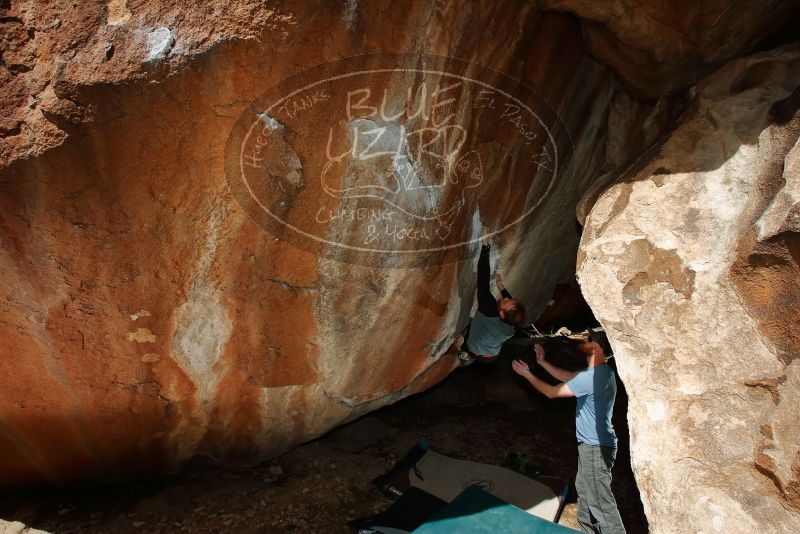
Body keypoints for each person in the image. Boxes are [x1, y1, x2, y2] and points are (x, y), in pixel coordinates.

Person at [511, 328, 626, 534]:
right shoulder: (602, 372)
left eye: (591, 340)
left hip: (595, 447)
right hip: (597, 445)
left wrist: (527, 374)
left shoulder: (592, 377)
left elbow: (551, 392)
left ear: (598, 350)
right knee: (584, 491)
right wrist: (542, 362)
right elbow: (568, 376)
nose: (587, 340)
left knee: (600, 501)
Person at [456, 229, 526, 366]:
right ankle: (471, 356)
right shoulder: (514, 325)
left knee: (473, 329)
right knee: (481, 331)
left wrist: (485, 245)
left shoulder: (487, 308)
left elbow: (483, 276)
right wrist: (502, 288)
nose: (505, 298)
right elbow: (513, 310)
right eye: (509, 299)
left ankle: (466, 354)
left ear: (500, 314)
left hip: (473, 348)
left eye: (505, 301)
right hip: (491, 356)